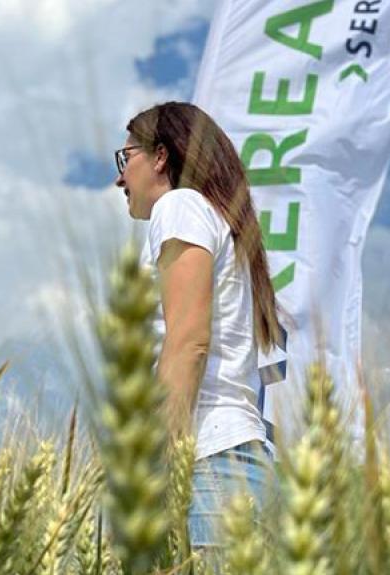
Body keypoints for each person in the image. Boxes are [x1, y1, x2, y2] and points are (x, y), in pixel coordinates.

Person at [114, 102, 283, 561]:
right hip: (239, 471)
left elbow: (188, 342)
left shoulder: (180, 206)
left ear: (161, 156)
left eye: (125, 157)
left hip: (208, 471)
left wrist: (152, 471)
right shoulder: (219, 220)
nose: (119, 178)